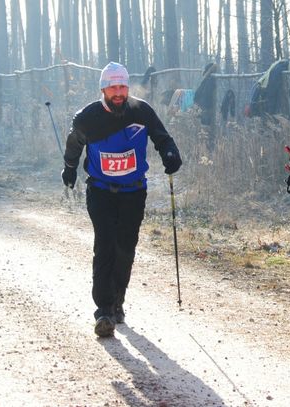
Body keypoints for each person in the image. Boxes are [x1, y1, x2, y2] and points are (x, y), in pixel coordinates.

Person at [61, 62, 182, 337]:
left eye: (123, 87)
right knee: (105, 244)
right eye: (114, 87)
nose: (119, 92)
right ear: (103, 89)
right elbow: (74, 144)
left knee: (125, 248)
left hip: (133, 190)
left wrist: (171, 154)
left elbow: (163, 138)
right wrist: (69, 169)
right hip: (101, 190)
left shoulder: (141, 110)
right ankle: (103, 310)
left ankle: (117, 301)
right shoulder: (87, 117)